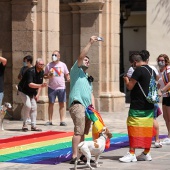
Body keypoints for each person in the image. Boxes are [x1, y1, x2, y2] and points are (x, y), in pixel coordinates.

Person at [119, 52, 156, 163]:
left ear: (135, 62)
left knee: (133, 127)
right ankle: (146, 152)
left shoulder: (138, 70)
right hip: (149, 105)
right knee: (146, 129)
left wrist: (126, 79)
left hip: (138, 105)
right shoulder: (151, 70)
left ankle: (131, 153)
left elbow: (130, 86)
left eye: (132, 64)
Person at [69, 35, 98, 164]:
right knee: (78, 131)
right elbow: (81, 57)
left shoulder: (87, 77)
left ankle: (82, 155)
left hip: (87, 108)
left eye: (88, 60)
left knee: (83, 132)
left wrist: (94, 108)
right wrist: (90, 43)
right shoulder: (76, 70)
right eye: (85, 60)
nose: (86, 61)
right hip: (77, 104)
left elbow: (91, 93)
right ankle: (74, 156)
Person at [18, 58, 47, 132]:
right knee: (28, 106)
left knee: (34, 107)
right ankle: (25, 124)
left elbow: (40, 84)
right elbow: (30, 84)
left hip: (31, 92)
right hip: (23, 91)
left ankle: (33, 125)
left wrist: (38, 94)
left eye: (43, 64)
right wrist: (41, 85)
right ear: (36, 64)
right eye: (40, 64)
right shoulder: (30, 71)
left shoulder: (41, 72)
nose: (41, 66)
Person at [44, 50, 70, 126]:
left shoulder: (63, 65)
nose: (53, 56)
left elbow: (67, 74)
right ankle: (50, 120)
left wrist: (68, 78)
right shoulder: (49, 65)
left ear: (59, 56)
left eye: (55, 55)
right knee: (51, 103)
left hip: (61, 87)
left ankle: (62, 120)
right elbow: (45, 75)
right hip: (52, 87)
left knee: (62, 104)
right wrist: (48, 76)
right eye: (53, 55)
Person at [157, 54, 170, 145]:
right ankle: (169, 135)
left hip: (168, 95)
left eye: (162, 60)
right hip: (165, 96)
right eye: (159, 60)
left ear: (166, 61)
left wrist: (162, 90)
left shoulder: (168, 70)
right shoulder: (160, 72)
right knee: (166, 117)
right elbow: (159, 83)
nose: (160, 62)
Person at [18, 55, 33, 122]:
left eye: (25, 61)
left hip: (31, 88)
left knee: (28, 103)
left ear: (29, 61)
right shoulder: (23, 69)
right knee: (27, 103)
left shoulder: (33, 69)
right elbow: (19, 77)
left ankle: (25, 116)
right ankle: (26, 117)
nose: (24, 62)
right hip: (23, 88)